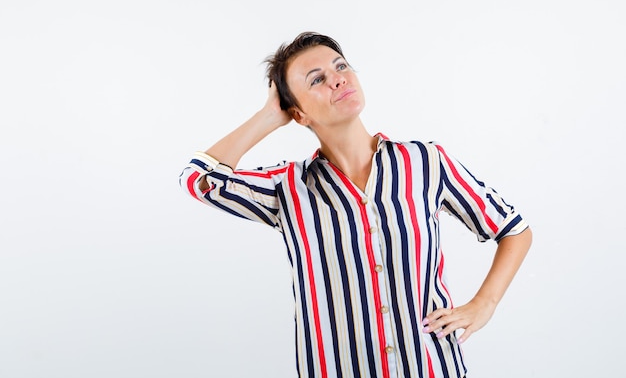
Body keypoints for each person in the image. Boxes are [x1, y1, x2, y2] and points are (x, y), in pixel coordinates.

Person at [179, 32, 532, 378]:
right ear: (299, 114)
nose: (338, 79)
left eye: (341, 66)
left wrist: (484, 304)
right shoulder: (287, 187)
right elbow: (199, 181)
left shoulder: (425, 162)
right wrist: (270, 115)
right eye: (317, 79)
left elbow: (513, 229)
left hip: (432, 366)